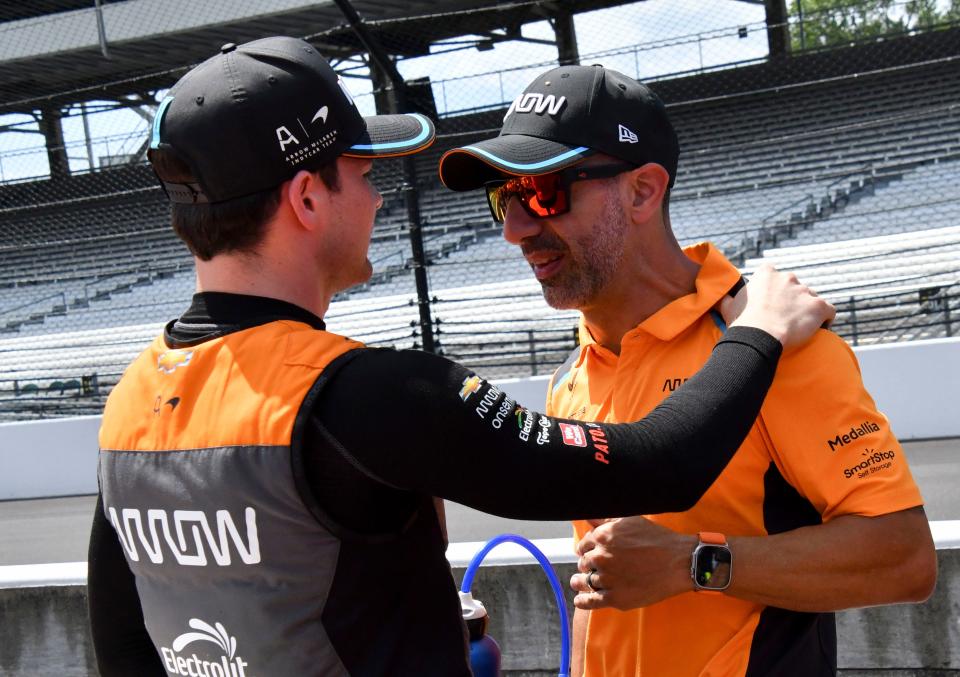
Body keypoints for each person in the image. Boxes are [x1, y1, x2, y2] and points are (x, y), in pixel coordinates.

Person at [87, 39, 834, 677]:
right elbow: (657, 466)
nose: (378, 200)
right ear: (308, 198)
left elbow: (126, 648)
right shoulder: (369, 395)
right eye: (365, 172)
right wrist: (758, 332)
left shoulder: (127, 406)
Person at [438, 64, 937, 677]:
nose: (515, 230)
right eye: (504, 200)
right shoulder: (573, 372)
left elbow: (905, 558)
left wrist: (694, 564)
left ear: (643, 190)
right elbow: (610, 582)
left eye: (544, 192)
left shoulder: (776, 343)